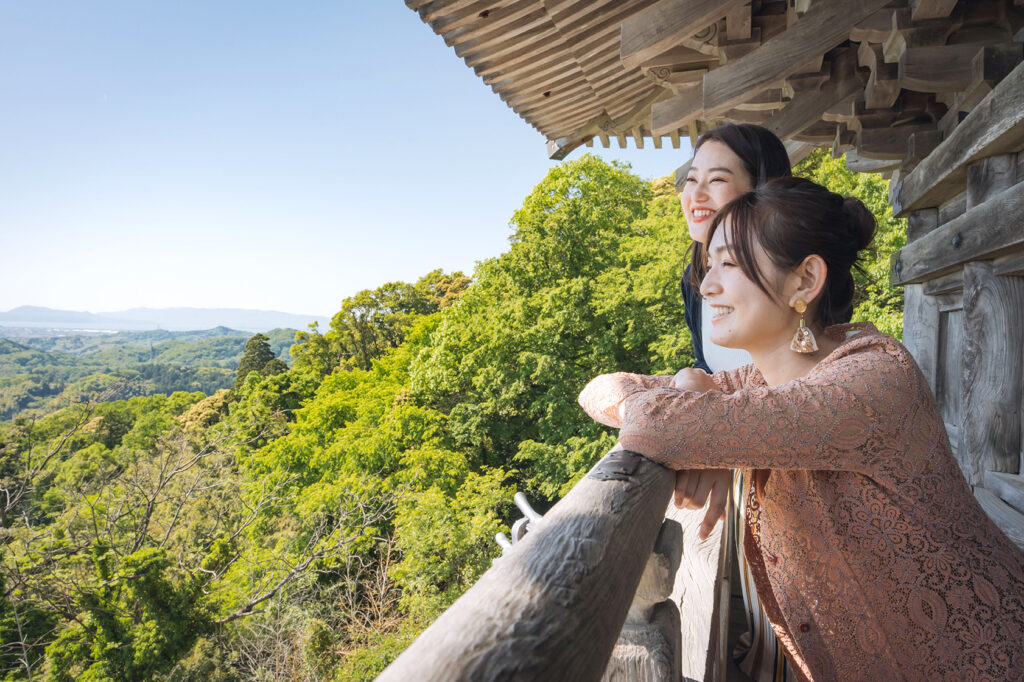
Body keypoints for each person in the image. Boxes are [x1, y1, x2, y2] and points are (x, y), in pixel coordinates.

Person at [579, 177, 1024, 681]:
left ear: (805, 280)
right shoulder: (758, 380)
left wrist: (691, 402)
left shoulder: (873, 378)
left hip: (988, 657)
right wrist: (691, 387)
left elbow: (652, 423)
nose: (706, 286)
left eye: (728, 263)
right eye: (709, 267)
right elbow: (600, 390)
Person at [675, 123, 796, 682]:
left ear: (763, 192)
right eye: (689, 179)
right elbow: (712, 369)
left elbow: (797, 374)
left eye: (716, 180)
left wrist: (717, 434)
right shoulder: (694, 276)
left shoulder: (791, 268)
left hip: (797, 454)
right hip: (748, 460)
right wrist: (695, 390)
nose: (694, 196)